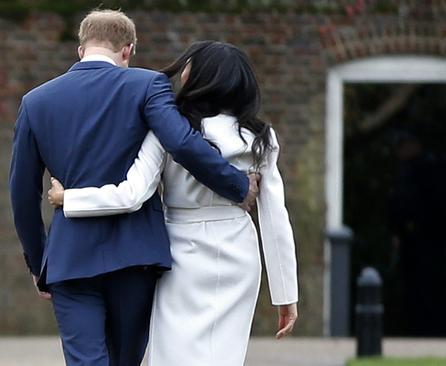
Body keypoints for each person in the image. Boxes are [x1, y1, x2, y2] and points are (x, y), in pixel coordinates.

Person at [9, 11, 259, 366]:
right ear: (127, 50)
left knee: (86, 360)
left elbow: (22, 195)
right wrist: (237, 186)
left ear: (80, 50)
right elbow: (182, 143)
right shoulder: (147, 85)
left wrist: (38, 263)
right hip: (135, 254)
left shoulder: (35, 102)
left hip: (70, 257)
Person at [48, 41, 299, 366]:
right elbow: (275, 218)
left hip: (182, 249)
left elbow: (131, 194)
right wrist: (286, 296)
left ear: (201, 77)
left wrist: (71, 198)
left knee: (172, 349)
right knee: (224, 352)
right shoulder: (260, 137)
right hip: (239, 248)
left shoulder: (169, 131)